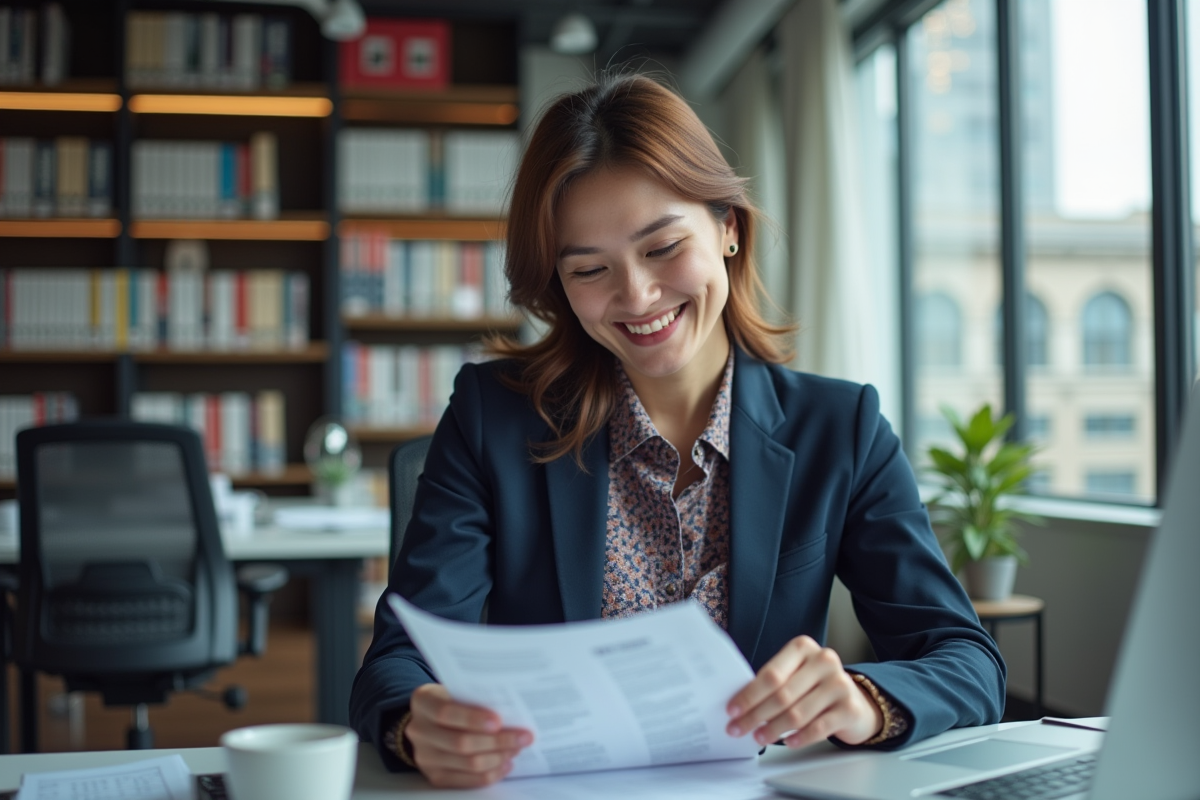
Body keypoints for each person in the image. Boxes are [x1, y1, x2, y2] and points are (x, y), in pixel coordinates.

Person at [349, 73, 1005, 789]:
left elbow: (966, 660)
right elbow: (395, 660)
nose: (636, 297)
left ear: (728, 227)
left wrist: (865, 702)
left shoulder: (841, 429)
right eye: (590, 269)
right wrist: (418, 724)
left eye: (663, 248)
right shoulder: (491, 419)